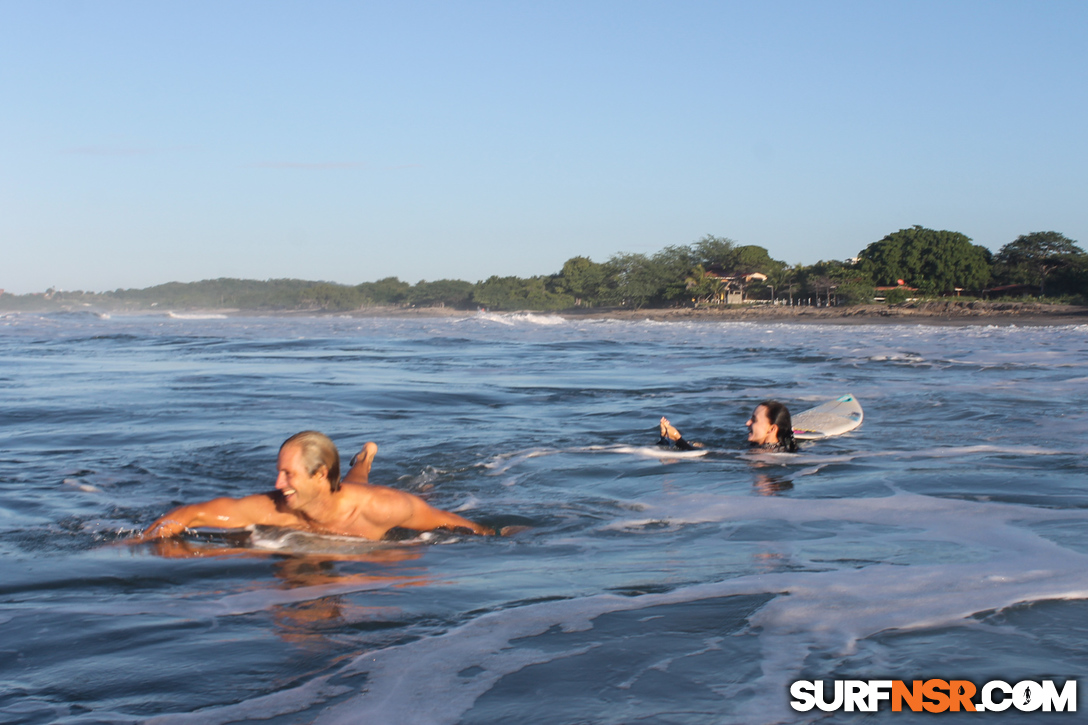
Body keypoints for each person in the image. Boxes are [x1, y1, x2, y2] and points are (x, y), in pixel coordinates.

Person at [136, 431, 494, 541]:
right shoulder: (273, 506)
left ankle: (367, 456)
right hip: (336, 493)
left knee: (370, 484)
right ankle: (364, 458)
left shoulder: (384, 508)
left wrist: (501, 535)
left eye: (288, 474)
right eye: (279, 472)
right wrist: (137, 542)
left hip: (363, 500)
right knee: (353, 480)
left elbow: (455, 523)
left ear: (320, 473)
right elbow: (193, 513)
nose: (277, 484)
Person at [658, 400, 798, 453]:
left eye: (754, 420)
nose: (747, 423)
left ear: (772, 429)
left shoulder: (763, 458)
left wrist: (678, 439)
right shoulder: (768, 449)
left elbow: (709, 458)